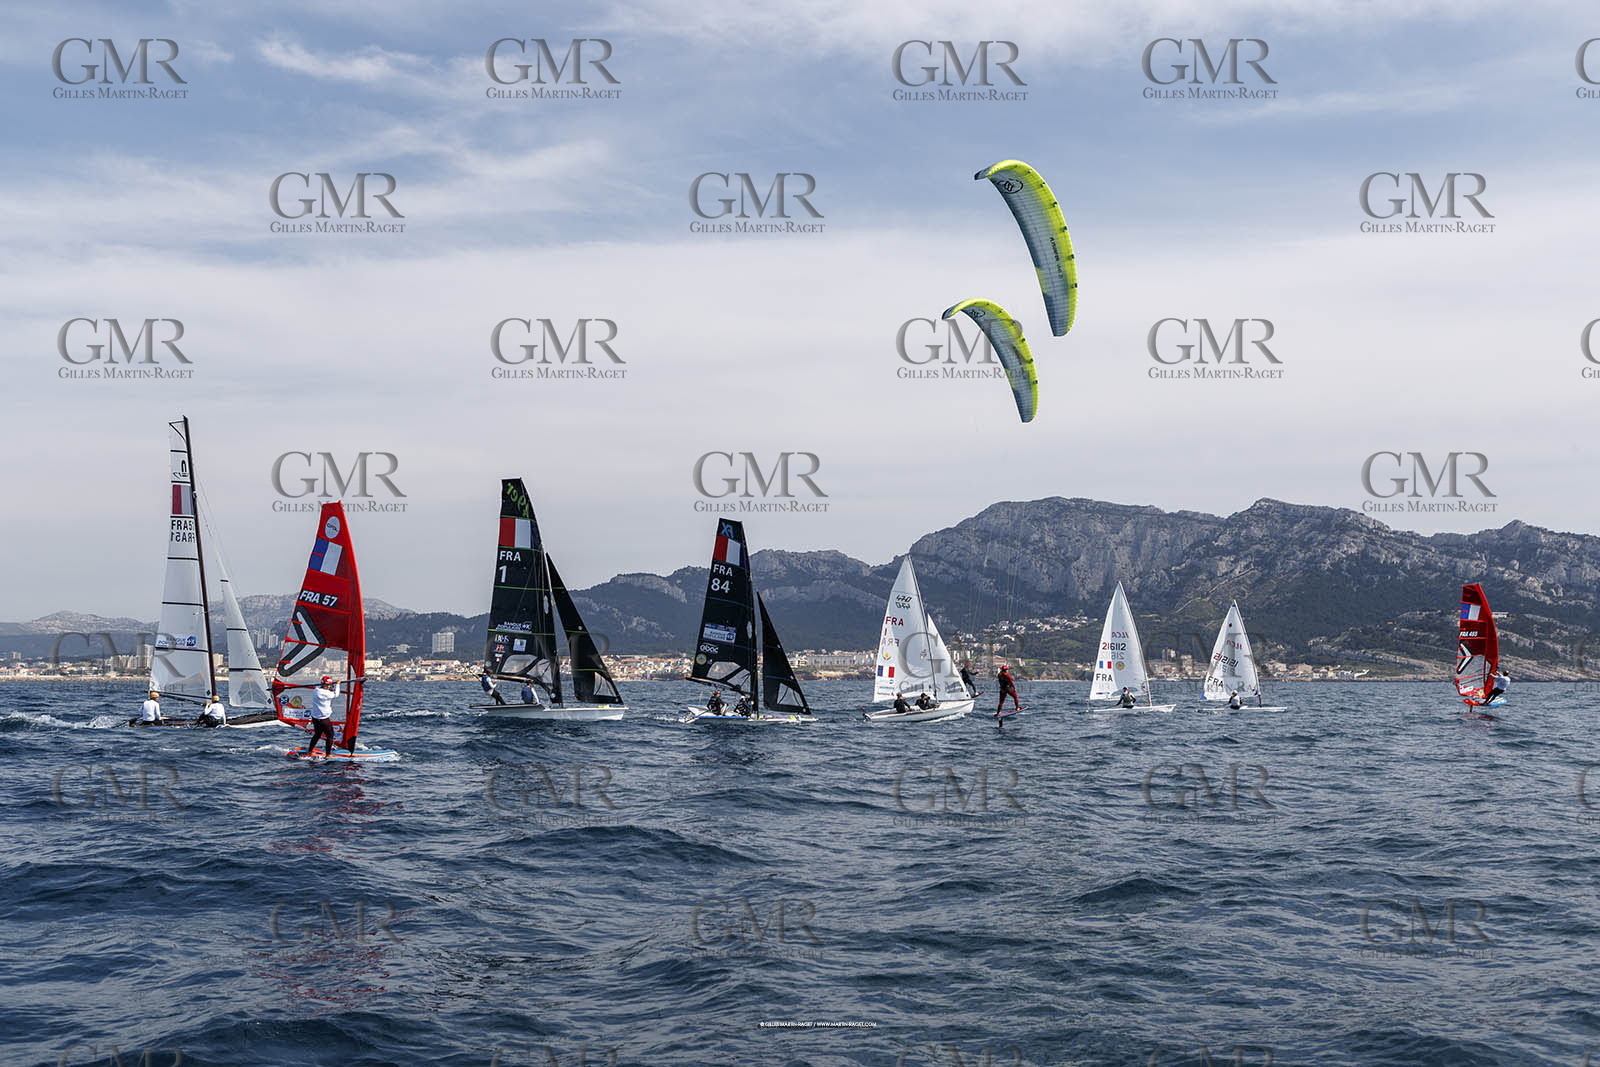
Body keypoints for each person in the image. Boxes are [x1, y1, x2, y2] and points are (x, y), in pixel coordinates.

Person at [304, 675, 340, 756]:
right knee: (330, 736)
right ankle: (328, 755)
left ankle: (309, 751)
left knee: (317, 734)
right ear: (323, 684)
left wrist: (329, 685)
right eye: (327, 685)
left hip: (315, 718)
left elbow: (326, 689)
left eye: (329, 685)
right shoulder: (326, 693)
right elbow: (336, 694)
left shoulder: (316, 690)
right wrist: (337, 684)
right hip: (324, 719)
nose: (328, 686)